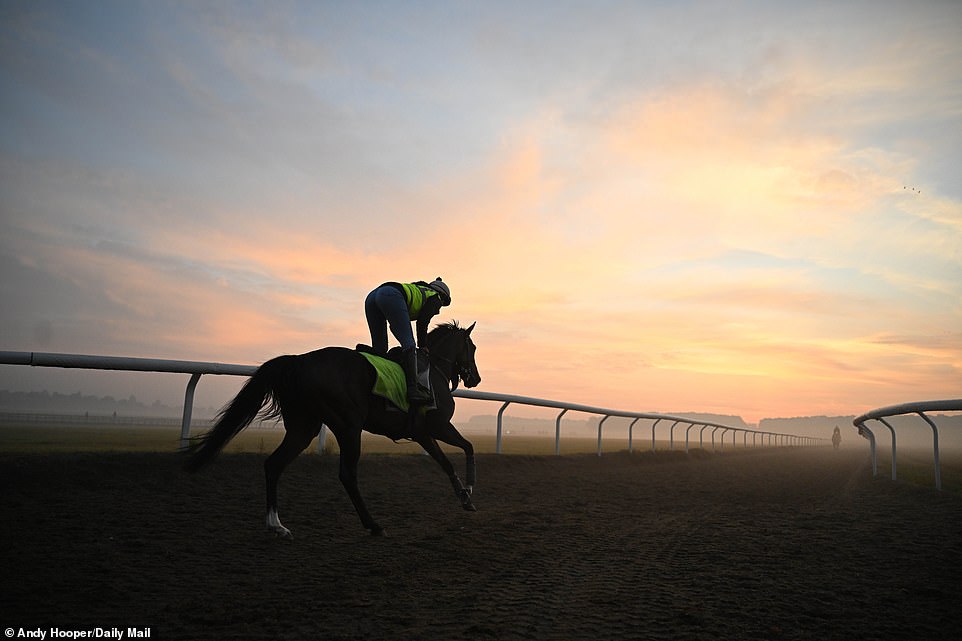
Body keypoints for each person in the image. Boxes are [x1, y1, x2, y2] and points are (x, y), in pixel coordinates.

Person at [364, 278, 452, 403]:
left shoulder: (419, 290)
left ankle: (364, 356)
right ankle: (413, 389)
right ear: (443, 296)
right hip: (391, 295)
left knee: (380, 350)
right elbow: (422, 322)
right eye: (442, 305)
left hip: (372, 296)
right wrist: (423, 346)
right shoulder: (435, 297)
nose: (438, 311)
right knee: (409, 345)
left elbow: (395, 323)